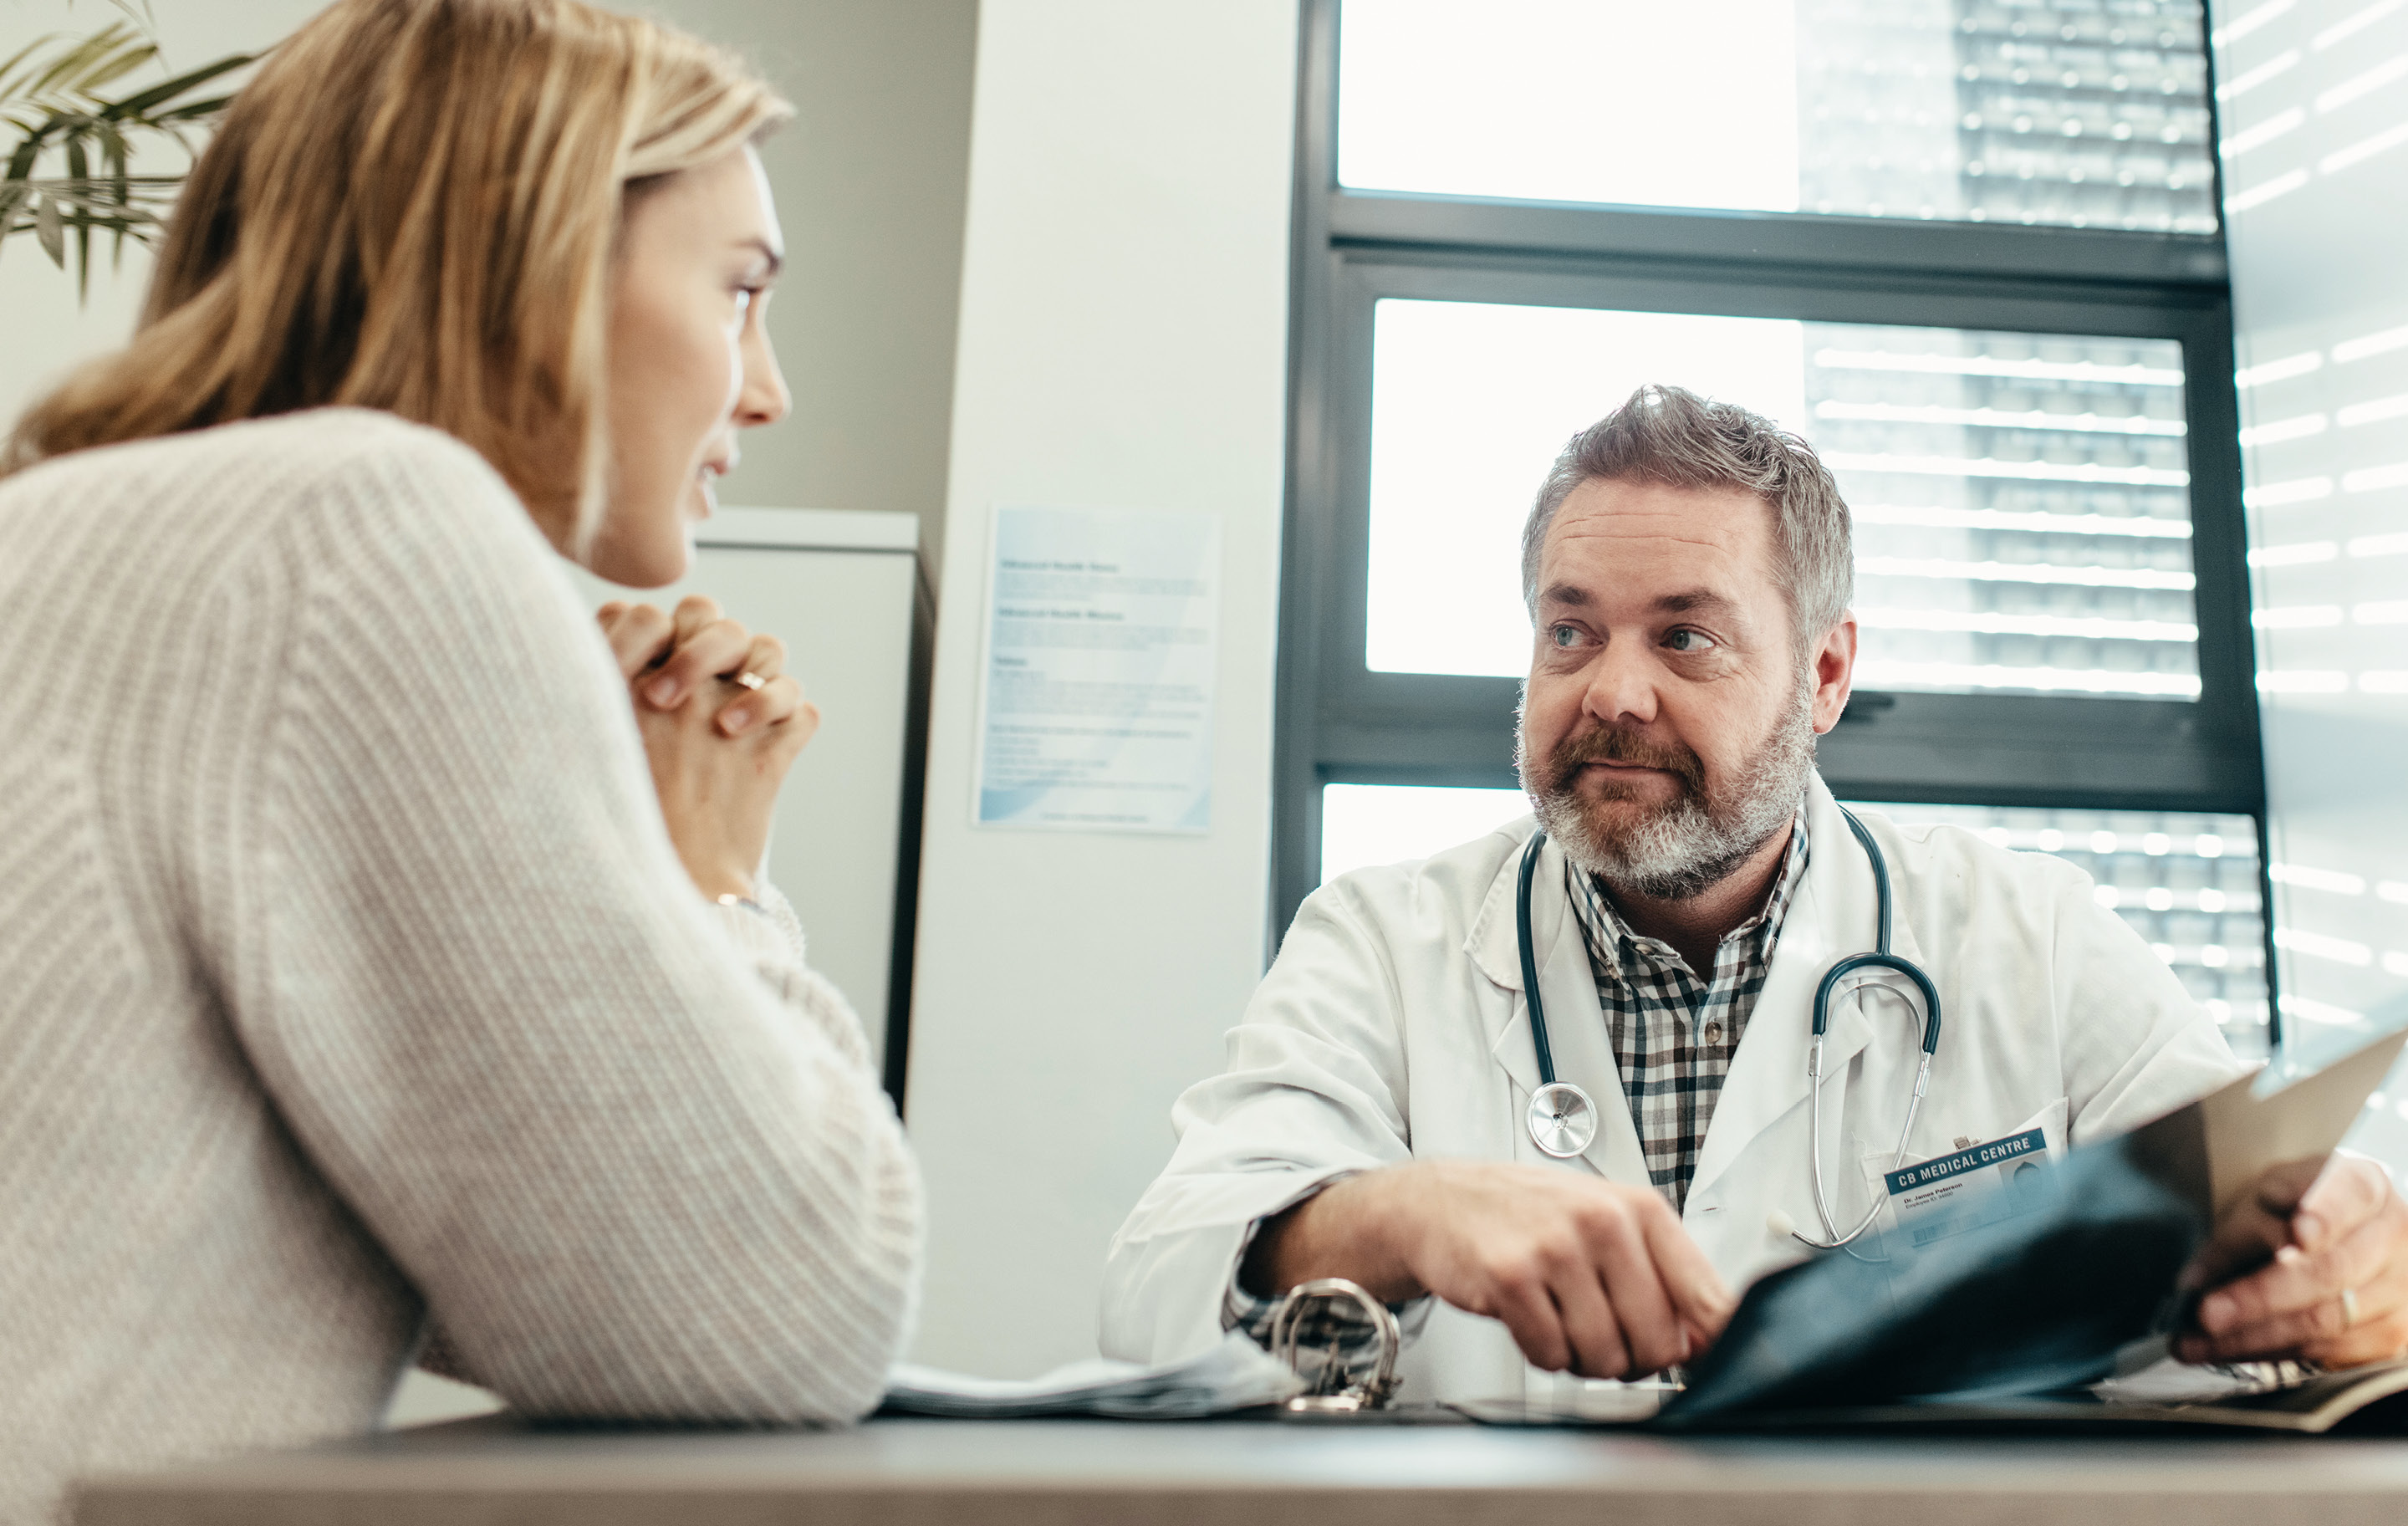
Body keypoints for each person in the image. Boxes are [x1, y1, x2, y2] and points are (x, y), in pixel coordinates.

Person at [0, 1, 920, 1518]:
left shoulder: (83, 530)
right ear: (542, 258)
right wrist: (702, 878)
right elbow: (780, 1313)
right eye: (740, 294)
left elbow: (510, 1273)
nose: (769, 388)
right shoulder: (365, 524)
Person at [1100, 385, 2408, 1405]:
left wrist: (2342, 1252)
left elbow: (2250, 1211)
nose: (1611, 691)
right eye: (1570, 629)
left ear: (1826, 674)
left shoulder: (2032, 937)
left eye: (1684, 634)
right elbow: (1157, 1285)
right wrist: (1404, 1211)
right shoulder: (1384, 942)